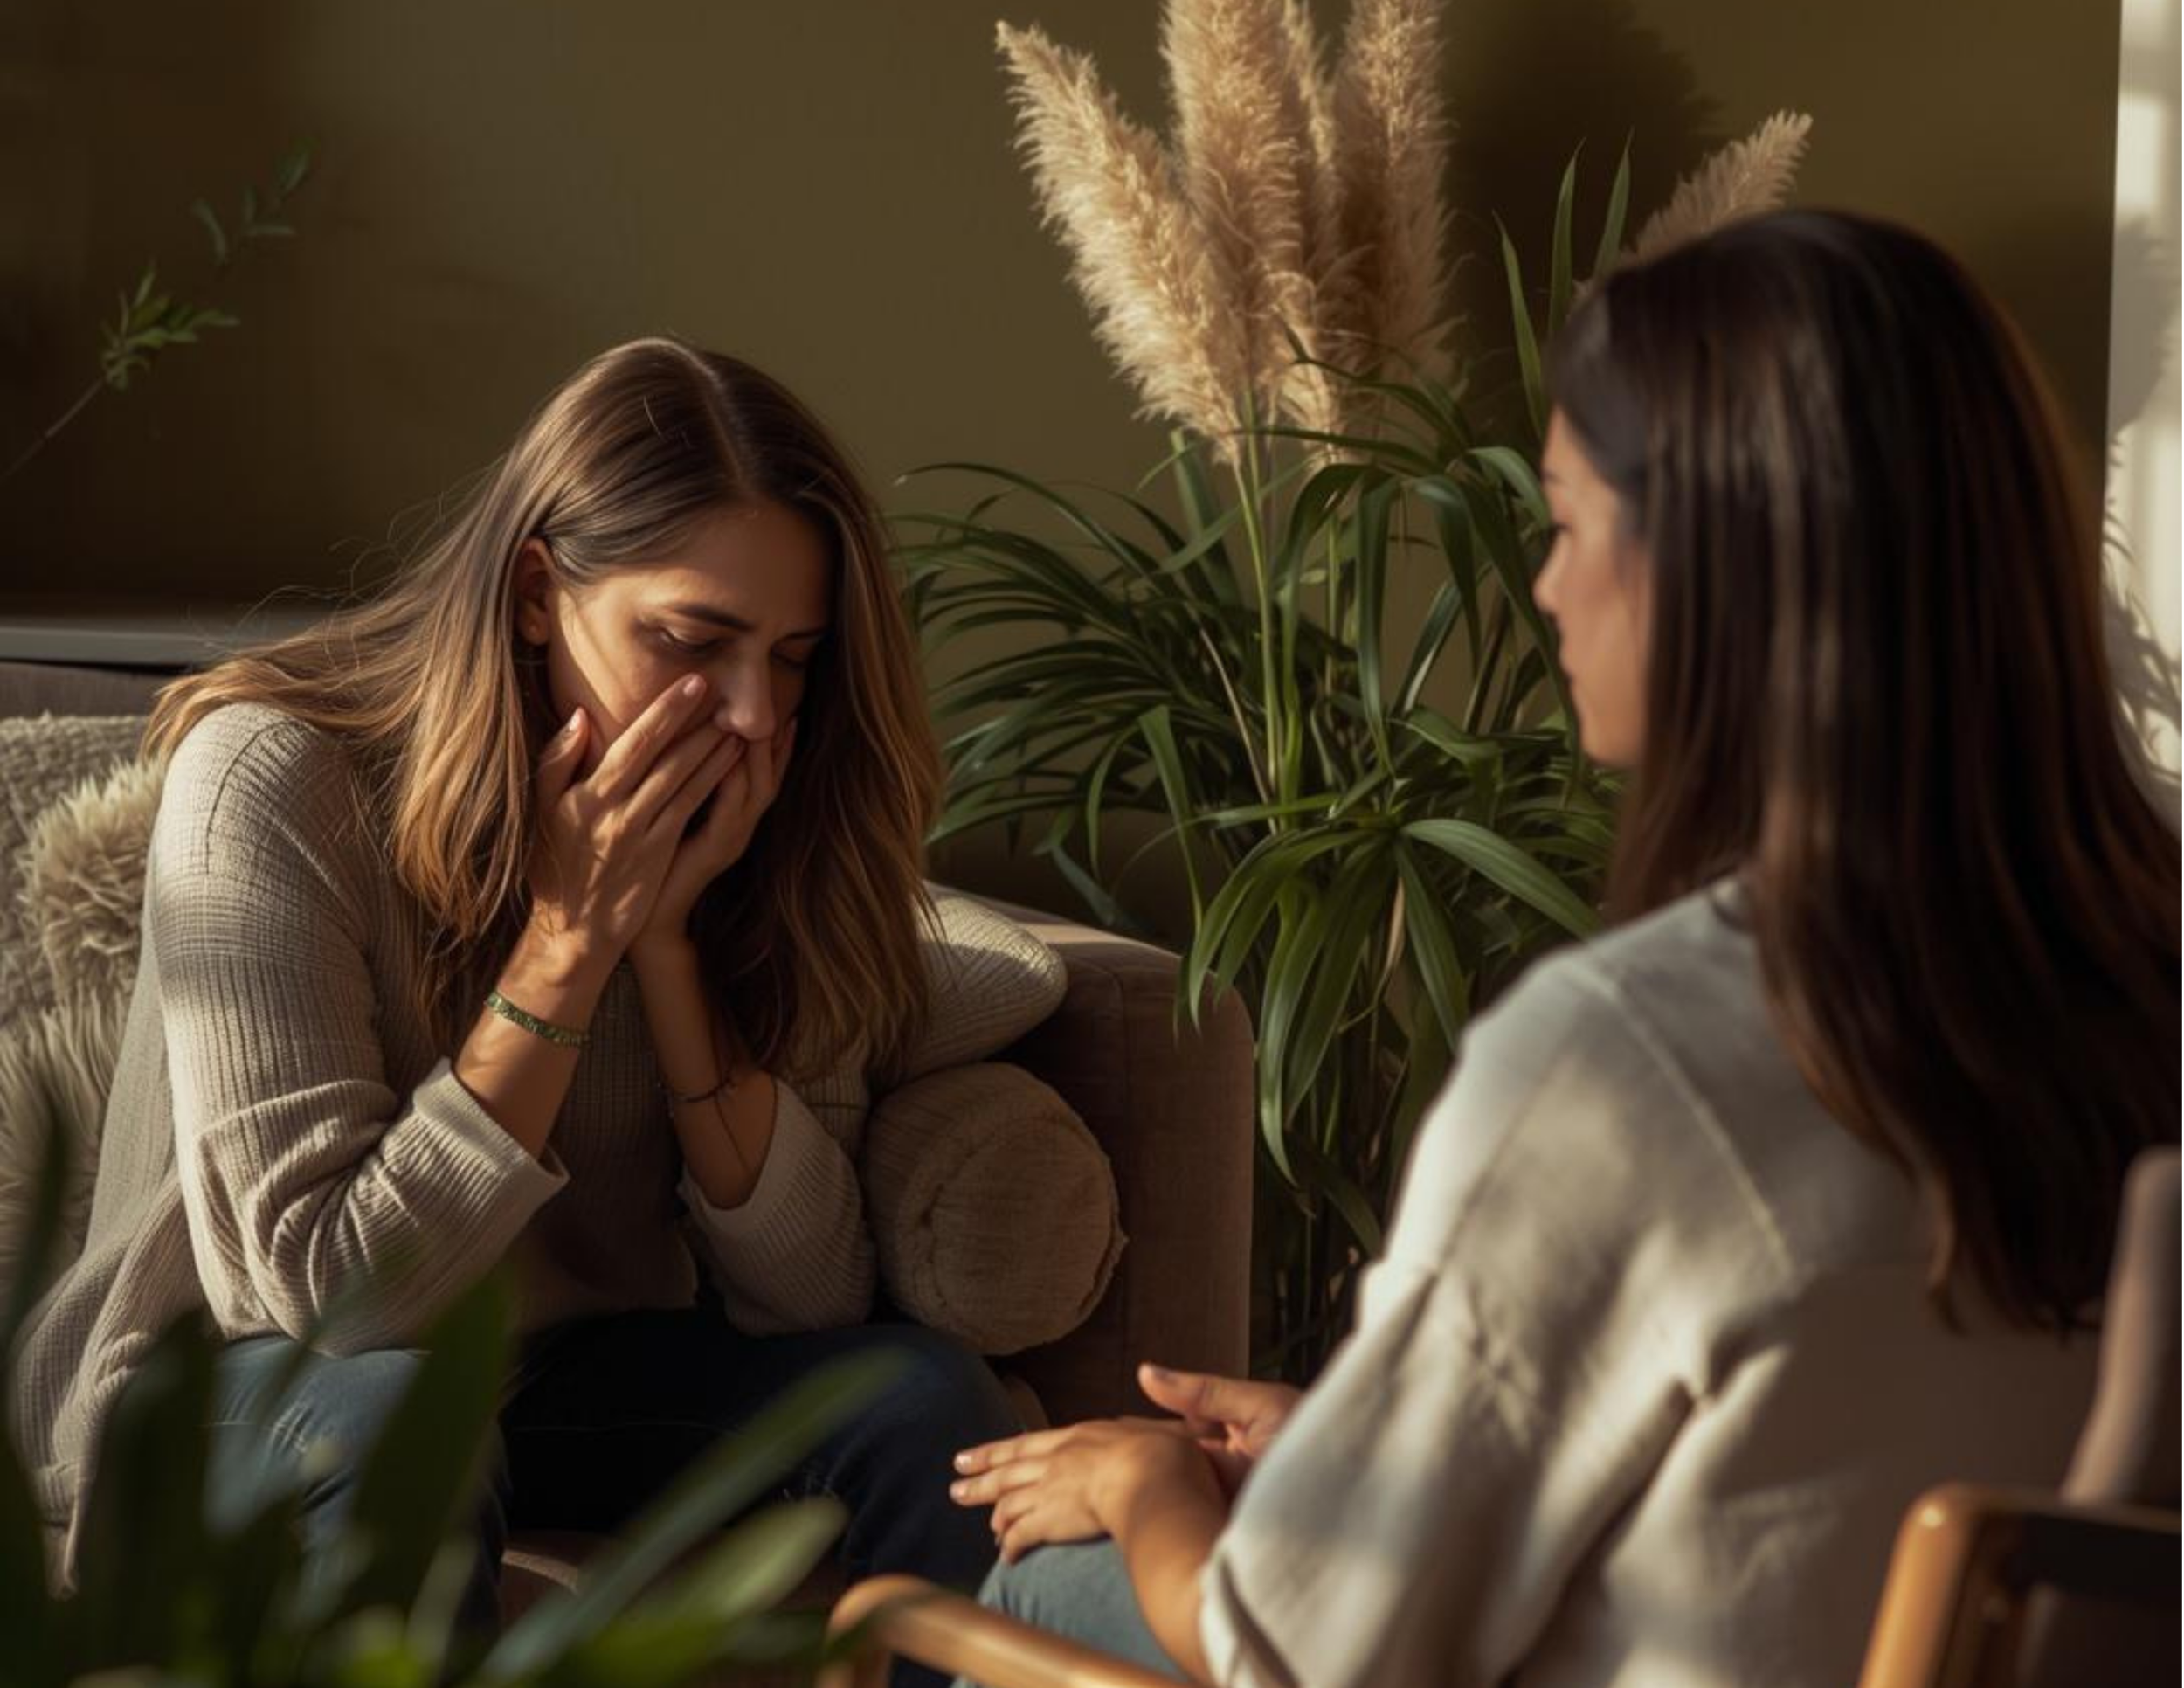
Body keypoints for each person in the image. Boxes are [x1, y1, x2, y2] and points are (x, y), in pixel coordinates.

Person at [944, 210, 2183, 1685]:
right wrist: (1356, 1446)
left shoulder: (1635, 1059)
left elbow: (1308, 1660)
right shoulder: (2137, 995)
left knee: (1045, 1588)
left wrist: (1148, 1495)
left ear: (1711, 567)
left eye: (1569, 520)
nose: (1544, 586)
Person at [10, 338, 1020, 1662]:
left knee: (924, 1399)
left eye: (791, 656)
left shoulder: (763, 823)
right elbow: (324, 1302)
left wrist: (666, 954)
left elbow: (818, 1296)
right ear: (540, 592)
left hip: (553, 1376)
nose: (754, 714)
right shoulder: (275, 783)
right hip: (237, 1389)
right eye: (694, 641)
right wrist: (564, 944)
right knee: (389, 1429)